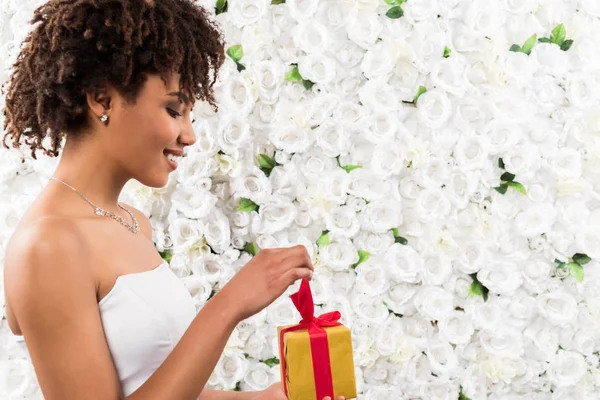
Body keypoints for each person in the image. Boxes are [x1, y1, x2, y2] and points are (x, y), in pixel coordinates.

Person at [1, 0, 348, 399]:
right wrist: (229, 306)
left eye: (190, 115)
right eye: (173, 109)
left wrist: (269, 397)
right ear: (102, 99)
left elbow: (165, 387)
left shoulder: (130, 221)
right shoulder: (46, 246)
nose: (189, 135)